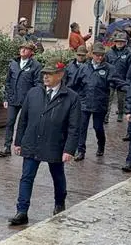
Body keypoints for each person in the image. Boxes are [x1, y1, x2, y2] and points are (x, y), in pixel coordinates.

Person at [9, 60, 81, 226]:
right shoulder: (34, 92)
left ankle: (59, 203)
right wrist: (18, 141)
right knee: (26, 177)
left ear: (60, 75)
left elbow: (74, 127)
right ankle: (22, 211)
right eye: (44, 73)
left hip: (55, 143)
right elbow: (23, 119)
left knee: (57, 176)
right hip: (32, 141)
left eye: (50, 74)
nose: (46, 76)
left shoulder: (71, 97)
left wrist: (69, 149)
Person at [70, 42, 126, 160]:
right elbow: (74, 84)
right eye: (97, 55)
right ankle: (81, 151)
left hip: (100, 103)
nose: (99, 57)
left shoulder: (109, 68)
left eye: (101, 55)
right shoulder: (84, 67)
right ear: (92, 54)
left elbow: (118, 82)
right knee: (82, 127)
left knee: (98, 127)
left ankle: (101, 145)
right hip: (84, 102)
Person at [0, 40, 42, 157]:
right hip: (13, 99)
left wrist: (33, 99)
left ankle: (25, 146)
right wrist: (6, 98)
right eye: (21, 48)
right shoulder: (13, 63)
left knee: (26, 123)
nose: (22, 50)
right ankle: (7, 147)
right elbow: (7, 82)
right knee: (10, 122)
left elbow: (38, 84)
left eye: (26, 48)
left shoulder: (36, 66)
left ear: (31, 52)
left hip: (27, 100)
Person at [105, 31, 131, 123]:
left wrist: (128, 81)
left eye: (121, 41)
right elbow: (106, 65)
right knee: (108, 99)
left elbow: (130, 68)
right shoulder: (109, 52)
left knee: (121, 100)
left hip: (122, 80)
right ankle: (106, 116)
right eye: (117, 41)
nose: (119, 43)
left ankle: (120, 113)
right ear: (115, 42)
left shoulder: (129, 53)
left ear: (125, 42)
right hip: (111, 79)